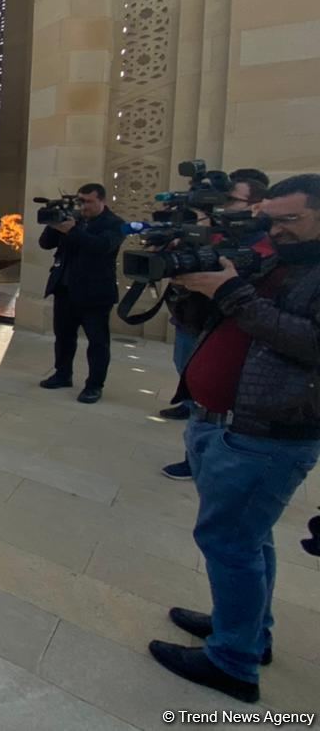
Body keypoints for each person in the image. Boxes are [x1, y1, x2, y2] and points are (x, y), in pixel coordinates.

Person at [147, 174, 320, 703]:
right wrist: (192, 291)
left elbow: (308, 341)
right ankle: (245, 630)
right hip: (219, 421)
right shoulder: (273, 257)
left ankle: (233, 663)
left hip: (267, 432)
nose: (276, 229)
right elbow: (216, 324)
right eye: (270, 218)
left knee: (230, 543)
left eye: (289, 219)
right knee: (246, 539)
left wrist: (232, 292)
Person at [160, 170, 270, 480]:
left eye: (231, 201)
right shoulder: (208, 234)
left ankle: (209, 460)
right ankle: (196, 455)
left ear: (257, 205)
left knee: (218, 401)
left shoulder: (267, 245)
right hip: (192, 324)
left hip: (231, 333)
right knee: (197, 391)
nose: (222, 208)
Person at [38, 183, 124, 404]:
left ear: (102, 201)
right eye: (80, 201)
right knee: (64, 337)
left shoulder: (115, 224)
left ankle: (94, 385)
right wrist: (54, 223)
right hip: (65, 290)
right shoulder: (73, 218)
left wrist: (72, 230)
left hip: (94, 293)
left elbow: (101, 247)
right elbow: (45, 244)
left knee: (97, 342)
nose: (83, 206)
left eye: (88, 201)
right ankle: (62, 374)